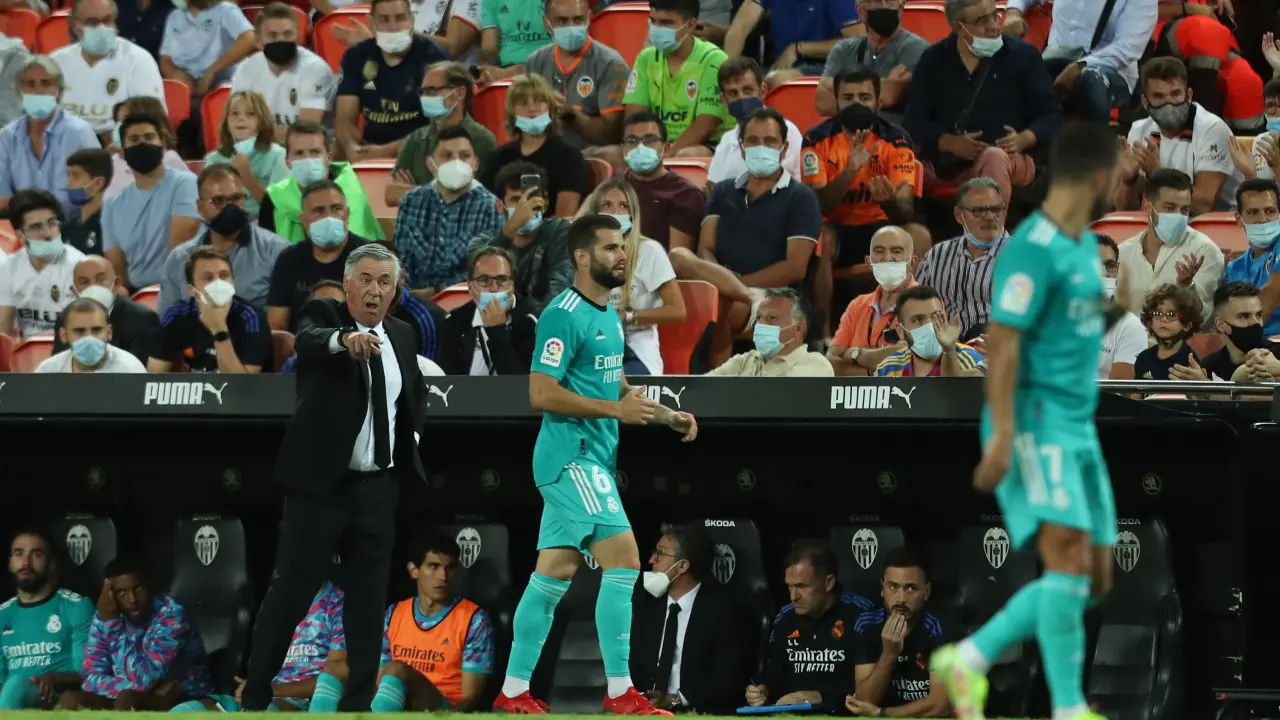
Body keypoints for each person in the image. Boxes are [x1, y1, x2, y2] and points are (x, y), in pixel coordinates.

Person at [931, 121, 1125, 720]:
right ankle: (1066, 706)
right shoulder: (1032, 249)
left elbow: (1064, 327)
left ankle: (970, 659)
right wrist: (1002, 436)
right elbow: (1005, 340)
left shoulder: (1081, 247)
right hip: (1035, 423)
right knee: (1067, 561)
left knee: (1094, 574)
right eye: (1120, 176)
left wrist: (1118, 308)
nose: (1123, 186)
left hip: (1077, 426)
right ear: (1099, 177)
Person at [492, 214, 698, 715]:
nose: (620, 255)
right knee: (625, 560)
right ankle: (620, 692)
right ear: (582, 257)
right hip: (572, 458)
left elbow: (616, 385)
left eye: (622, 247)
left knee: (552, 575)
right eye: (609, 248)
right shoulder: (562, 314)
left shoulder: (608, 312)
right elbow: (541, 393)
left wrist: (666, 416)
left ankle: (512, 692)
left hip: (592, 458)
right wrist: (614, 411)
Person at [241, 243, 426, 712]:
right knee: (291, 594)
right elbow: (307, 339)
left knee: (368, 601)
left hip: (377, 489)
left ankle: (357, 706)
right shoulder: (324, 314)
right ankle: (255, 696)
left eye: (384, 282)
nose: (374, 290)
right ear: (347, 284)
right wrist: (345, 341)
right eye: (365, 279)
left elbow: (414, 395)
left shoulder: (403, 334)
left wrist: (411, 440)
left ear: (395, 290)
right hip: (321, 489)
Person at [361, 532, 495, 712]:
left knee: (397, 669)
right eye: (434, 566)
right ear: (413, 570)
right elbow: (379, 681)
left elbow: (471, 699)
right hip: (399, 707)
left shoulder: (474, 620)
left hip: (445, 711)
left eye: (449, 568)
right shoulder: (394, 614)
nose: (443, 576)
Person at [58, 558, 213, 710]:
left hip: (184, 697)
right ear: (109, 595)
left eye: (138, 588)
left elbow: (145, 679)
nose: (132, 599)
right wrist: (136, 690)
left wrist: (112, 627)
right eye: (122, 592)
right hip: (137, 695)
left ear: (150, 586)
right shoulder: (106, 615)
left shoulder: (170, 613)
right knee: (71, 700)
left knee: (128, 700)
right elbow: (90, 679)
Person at [629, 524, 752, 715]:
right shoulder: (648, 609)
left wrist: (675, 700)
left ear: (683, 566)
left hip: (700, 712)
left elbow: (727, 682)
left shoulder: (725, 613)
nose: (652, 559)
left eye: (660, 553)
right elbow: (634, 666)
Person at [171, 582, 346, 712]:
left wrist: (268, 690)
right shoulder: (278, 599)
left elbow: (337, 673)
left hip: (298, 701)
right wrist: (255, 687)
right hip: (261, 694)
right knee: (184, 711)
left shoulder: (337, 600)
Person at [584, 178, 686, 376]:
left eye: (623, 206)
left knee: (609, 379)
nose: (615, 212)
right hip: (594, 345)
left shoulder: (649, 251)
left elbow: (677, 311)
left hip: (636, 348)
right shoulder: (584, 254)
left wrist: (626, 316)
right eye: (607, 205)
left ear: (632, 213)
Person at [159, 165, 290, 313]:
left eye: (236, 198)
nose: (229, 207)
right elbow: (166, 317)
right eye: (218, 200)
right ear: (200, 207)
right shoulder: (180, 258)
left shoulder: (277, 251)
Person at [333, 0, 450, 161]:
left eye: (400, 18)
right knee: (337, 148)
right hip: (369, 149)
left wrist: (385, 152)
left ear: (412, 20)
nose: (393, 27)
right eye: (384, 19)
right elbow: (345, 118)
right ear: (372, 23)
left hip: (421, 151)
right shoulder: (356, 56)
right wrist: (351, 147)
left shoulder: (435, 58)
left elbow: (440, 126)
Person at [394, 124, 502, 293]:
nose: (456, 162)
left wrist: (438, 291)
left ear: (475, 164)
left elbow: (486, 269)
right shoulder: (410, 202)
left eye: (464, 156)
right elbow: (401, 259)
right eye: (447, 156)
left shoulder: (491, 207)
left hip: (463, 297)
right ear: (431, 165)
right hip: (411, 297)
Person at [101, 112, 202, 290]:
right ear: (122, 152)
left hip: (178, 289)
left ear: (163, 146)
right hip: (135, 294)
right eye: (134, 139)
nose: (142, 143)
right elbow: (117, 266)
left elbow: (180, 253)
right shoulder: (112, 204)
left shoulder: (185, 183)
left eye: (149, 137)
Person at [846, 548, 949, 718]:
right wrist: (889, 654)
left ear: (927, 592)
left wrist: (882, 713)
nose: (900, 599)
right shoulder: (867, 624)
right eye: (893, 586)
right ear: (882, 588)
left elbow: (940, 706)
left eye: (911, 588)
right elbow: (863, 701)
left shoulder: (941, 626)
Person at [0, 529, 95, 709]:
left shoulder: (76, 606)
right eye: (19, 554)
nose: (26, 562)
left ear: (51, 564)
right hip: (10, 702)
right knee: (15, 686)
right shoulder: (2, 615)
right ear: (10, 563)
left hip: (57, 701)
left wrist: (52, 678)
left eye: (36, 554)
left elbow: (88, 674)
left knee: (17, 685)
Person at [623, 0, 732, 155]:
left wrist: (666, 154)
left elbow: (706, 124)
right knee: (609, 155)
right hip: (656, 145)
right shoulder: (645, 58)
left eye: (666, 23)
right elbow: (635, 117)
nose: (657, 28)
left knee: (687, 155)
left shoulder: (714, 60)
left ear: (691, 25)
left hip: (707, 145)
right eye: (653, 21)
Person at [519, 0, 630, 149]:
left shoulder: (610, 64)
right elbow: (520, 123)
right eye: (562, 21)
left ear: (589, 18)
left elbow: (610, 136)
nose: (571, 27)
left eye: (578, 20)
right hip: (543, 151)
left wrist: (570, 114)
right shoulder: (535, 63)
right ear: (546, 23)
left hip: (589, 153)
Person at [478, 73, 591, 219]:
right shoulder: (498, 157)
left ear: (550, 109)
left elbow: (564, 219)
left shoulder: (569, 157)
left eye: (539, 101)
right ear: (512, 113)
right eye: (523, 103)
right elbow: (484, 210)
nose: (532, 109)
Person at [0, 56, 101, 216]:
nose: (38, 90)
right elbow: (2, 197)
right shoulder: (7, 137)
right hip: (21, 224)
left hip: (72, 224)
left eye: (46, 83)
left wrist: (51, 210)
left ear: (59, 92)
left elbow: (94, 188)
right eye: (30, 84)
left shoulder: (79, 132)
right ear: (19, 92)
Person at [388, 61, 498, 207]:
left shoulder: (483, 140)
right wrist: (447, 193)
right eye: (423, 92)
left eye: (433, 90)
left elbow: (481, 199)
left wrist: (416, 192)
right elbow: (391, 195)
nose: (426, 97)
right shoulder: (415, 139)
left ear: (460, 93)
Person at [146, 246, 272, 373]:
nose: (218, 283)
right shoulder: (176, 315)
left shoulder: (251, 318)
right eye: (208, 278)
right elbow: (153, 377)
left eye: (224, 276)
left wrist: (219, 329)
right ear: (191, 290)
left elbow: (241, 384)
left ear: (233, 283)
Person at [265, 180, 370, 331]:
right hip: (302, 342)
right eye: (319, 211)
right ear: (303, 220)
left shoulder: (370, 256)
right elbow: (277, 324)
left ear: (346, 214)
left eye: (336, 208)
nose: (329, 216)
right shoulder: (289, 258)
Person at [51, 0, 165, 137]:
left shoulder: (138, 60)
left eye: (107, 20)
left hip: (116, 144)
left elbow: (151, 120)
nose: (101, 28)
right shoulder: (56, 62)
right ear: (75, 26)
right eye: (92, 22)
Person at [259, 120, 385, 243]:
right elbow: (264, 249)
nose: (307, 159)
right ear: (287, 162)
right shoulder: (274, 198)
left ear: (329, 158)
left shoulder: (352, 191)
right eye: (299, 153)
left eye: (315, 152)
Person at [468, 162, 574, 307]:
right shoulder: (481, 242)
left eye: (531, 198)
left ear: (544, 203)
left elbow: (560, 291)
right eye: (516, 200)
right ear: (500, 207)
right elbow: (482, 288)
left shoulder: (560, 232)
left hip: (545, 317)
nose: (524, 207)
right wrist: (511, 227)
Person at [229, 2, 336, 141]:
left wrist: (255, 132)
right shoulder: (246, 69)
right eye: (272, 35)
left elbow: (304, 132)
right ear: (258, 40)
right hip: (259, 148)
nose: (281, 40)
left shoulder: (316, 69)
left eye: (287, 34)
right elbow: (237, 125)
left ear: (298, 36)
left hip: (307, 149)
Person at [435, 247, 541, 376]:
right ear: (470, 287)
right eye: (484, 280)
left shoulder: (534, 321)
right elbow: (446, 381)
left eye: (502, 279)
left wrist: (497, 331)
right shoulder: (455, 321)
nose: (494, 288)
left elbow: (522, 384)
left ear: (512, 285)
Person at [0, 188, 86, 339]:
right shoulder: (9, 268)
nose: (47, 233)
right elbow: (3, 331)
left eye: (52, 223)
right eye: (36, 227)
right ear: (20, 235)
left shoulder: (79, 266)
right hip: (26, 349)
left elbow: (82, 331)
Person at [203, 90, 290, 221]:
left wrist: (246, 175)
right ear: (226, 123)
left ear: (262, 121)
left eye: (250, 114)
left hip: (264, 224)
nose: (241, 118)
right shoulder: (213, 159)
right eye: (234, 113)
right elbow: (206, 206)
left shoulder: (278, 155)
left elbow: (277, 209)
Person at [51, 255, 159, 360]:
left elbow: (138, 368)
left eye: (100, 279)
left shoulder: (142, 319)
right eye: (84, 282)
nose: (93, 286)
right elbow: (60, 365)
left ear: (116, 284)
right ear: (74, 290)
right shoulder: (65, 319)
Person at [709, 288, 834, 377]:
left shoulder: (815, 365)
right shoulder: (745, 360)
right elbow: (706, 389)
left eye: (772, 318)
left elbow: (778, 400)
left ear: (798, 328)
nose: (760, 324)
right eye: (759, 317)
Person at [873, 285, 985, 378]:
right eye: (918, 320)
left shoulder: (971, 361)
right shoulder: (888, 369)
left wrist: (949, 350)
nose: (930, 326)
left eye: (936, 316)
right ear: (901, 331)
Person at [36, 296, 147, 373]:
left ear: (109, 332)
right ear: (64, 335)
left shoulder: (131, 370)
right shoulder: (48, 372)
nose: (89, 338)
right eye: (80, 331)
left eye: (96, 330)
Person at [1133, 283, 1202, 382]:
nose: (1164, 319)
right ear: (1150, 323)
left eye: (1172, 314)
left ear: (1186, 325)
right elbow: (1136, 392)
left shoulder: (1191, 362)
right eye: (1157, 313)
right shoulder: (1143, 359)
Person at [63, 147, 113, 254]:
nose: (68, 183)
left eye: (75, 176)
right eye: (68, 175)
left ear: (98, 183)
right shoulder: (68, 227)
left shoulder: (110, 227)